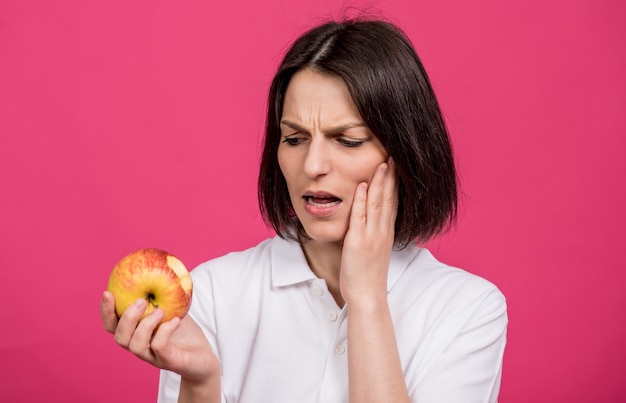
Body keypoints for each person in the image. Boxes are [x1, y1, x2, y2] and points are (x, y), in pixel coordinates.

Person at [101, 18, 507, 403]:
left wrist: (366, 300)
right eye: (294, 138)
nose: (312, 166)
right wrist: (202, 383)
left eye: (346, 140)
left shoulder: (468, 309)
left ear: (404, 153)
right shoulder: (211, 296)